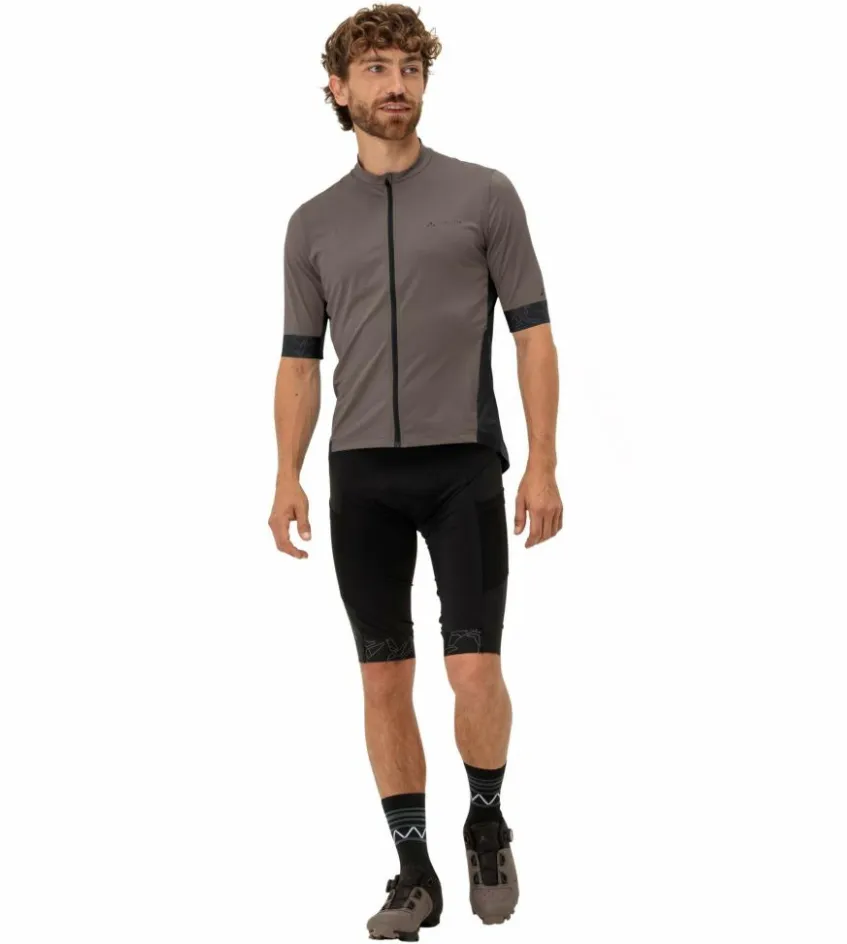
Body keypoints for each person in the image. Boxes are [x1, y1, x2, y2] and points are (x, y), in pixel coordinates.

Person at [269, 4, 562, 939]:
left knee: (474, 671)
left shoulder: (485, 195)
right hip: (361, 479)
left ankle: (486, 821)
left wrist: (543, 461)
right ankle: (413, 873)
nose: (397, 84)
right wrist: (286, 474)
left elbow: (533, 334)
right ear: (338, 87)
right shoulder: (312, 224)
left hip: (463, 465)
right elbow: (299, 362)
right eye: (377, 69)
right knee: (383, 683)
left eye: (410, 68)